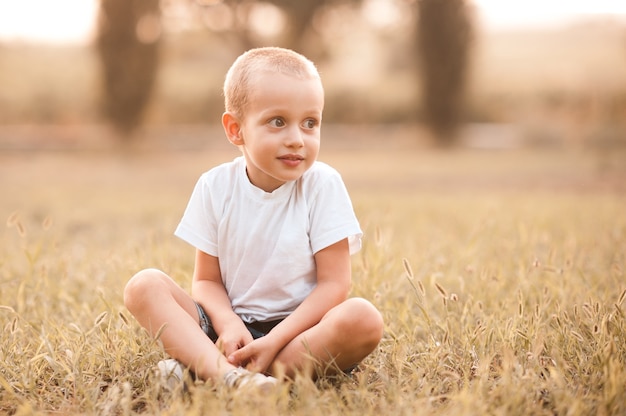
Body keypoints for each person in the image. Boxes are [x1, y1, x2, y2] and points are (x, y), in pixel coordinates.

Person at [123, 46, 384, 391]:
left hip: (299, 334)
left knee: (364, 318)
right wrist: (229, 325)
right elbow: (206, 282)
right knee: (143, 285)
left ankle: (207, 370)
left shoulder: (323, 185)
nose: (296, 139)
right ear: (235, 129)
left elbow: (334, 285)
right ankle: (230, 376)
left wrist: (274, 339)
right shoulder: (215, 186)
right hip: (225, 327)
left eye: (310, 123)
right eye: (278, 122)